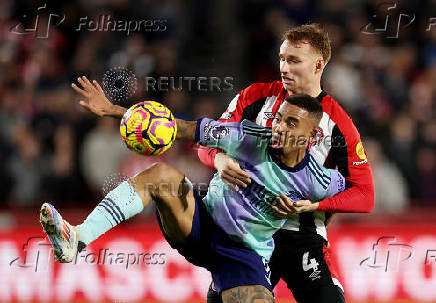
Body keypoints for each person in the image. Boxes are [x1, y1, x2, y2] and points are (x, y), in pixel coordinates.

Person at [41, 77, 345, 303]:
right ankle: (77, 239)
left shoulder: (318, 180)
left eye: (291, 124)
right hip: (201, 223)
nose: (279, 127)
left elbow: (357, 195)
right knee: (161, 175)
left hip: (243, 254)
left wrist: (312, 208)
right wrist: (115, 111)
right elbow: (182, 128)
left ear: (313, 135)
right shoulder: (248, 137)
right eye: (279, 118)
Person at [199, 24, 375, 303]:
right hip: (249, 233)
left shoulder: (338, 122)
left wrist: (315, 205)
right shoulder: (255, 97)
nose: (283, 67)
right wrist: (219, 159)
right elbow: (207, 141)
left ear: (318, 64)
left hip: (301, 236)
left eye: (294, 60)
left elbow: (364, 195)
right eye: (282, 58)